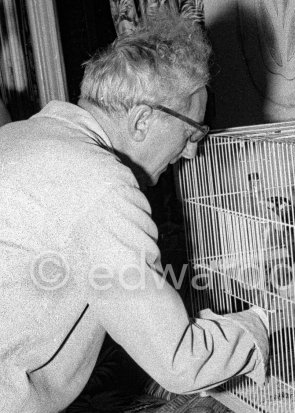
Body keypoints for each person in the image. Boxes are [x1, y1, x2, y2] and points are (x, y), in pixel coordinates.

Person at [0, 13, 271, 413]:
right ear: (143, 120)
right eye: (192, 132)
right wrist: (261, 325)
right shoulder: (100, 185)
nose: (192, 151)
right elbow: (180, 364)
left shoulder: (20, 135)